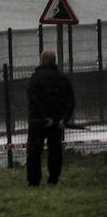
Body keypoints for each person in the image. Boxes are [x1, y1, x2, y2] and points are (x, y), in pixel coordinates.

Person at [26, 49, 75, 187]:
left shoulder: (35, 78)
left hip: (38, 122)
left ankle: (34, 181)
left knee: (34, 152)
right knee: (55, 151)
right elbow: (70, 100)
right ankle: (53, 178)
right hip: (57, 121)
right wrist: (64, 119)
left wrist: (43, 117)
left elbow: (33, 100)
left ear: (41, 60)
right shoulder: (63, 79)